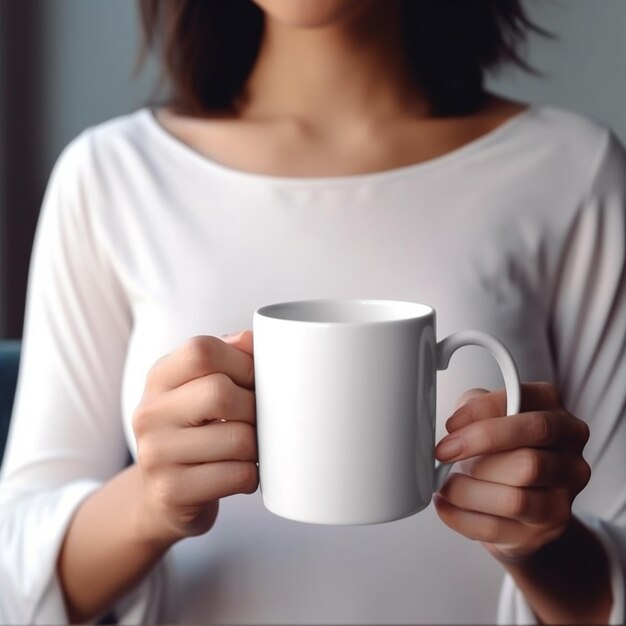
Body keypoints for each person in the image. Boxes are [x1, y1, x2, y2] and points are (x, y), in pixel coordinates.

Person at [0, 0, 624, 623]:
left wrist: (542, 544)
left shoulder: (573, 172)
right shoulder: (111, 178)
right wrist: (148, 502)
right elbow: (13, 583)